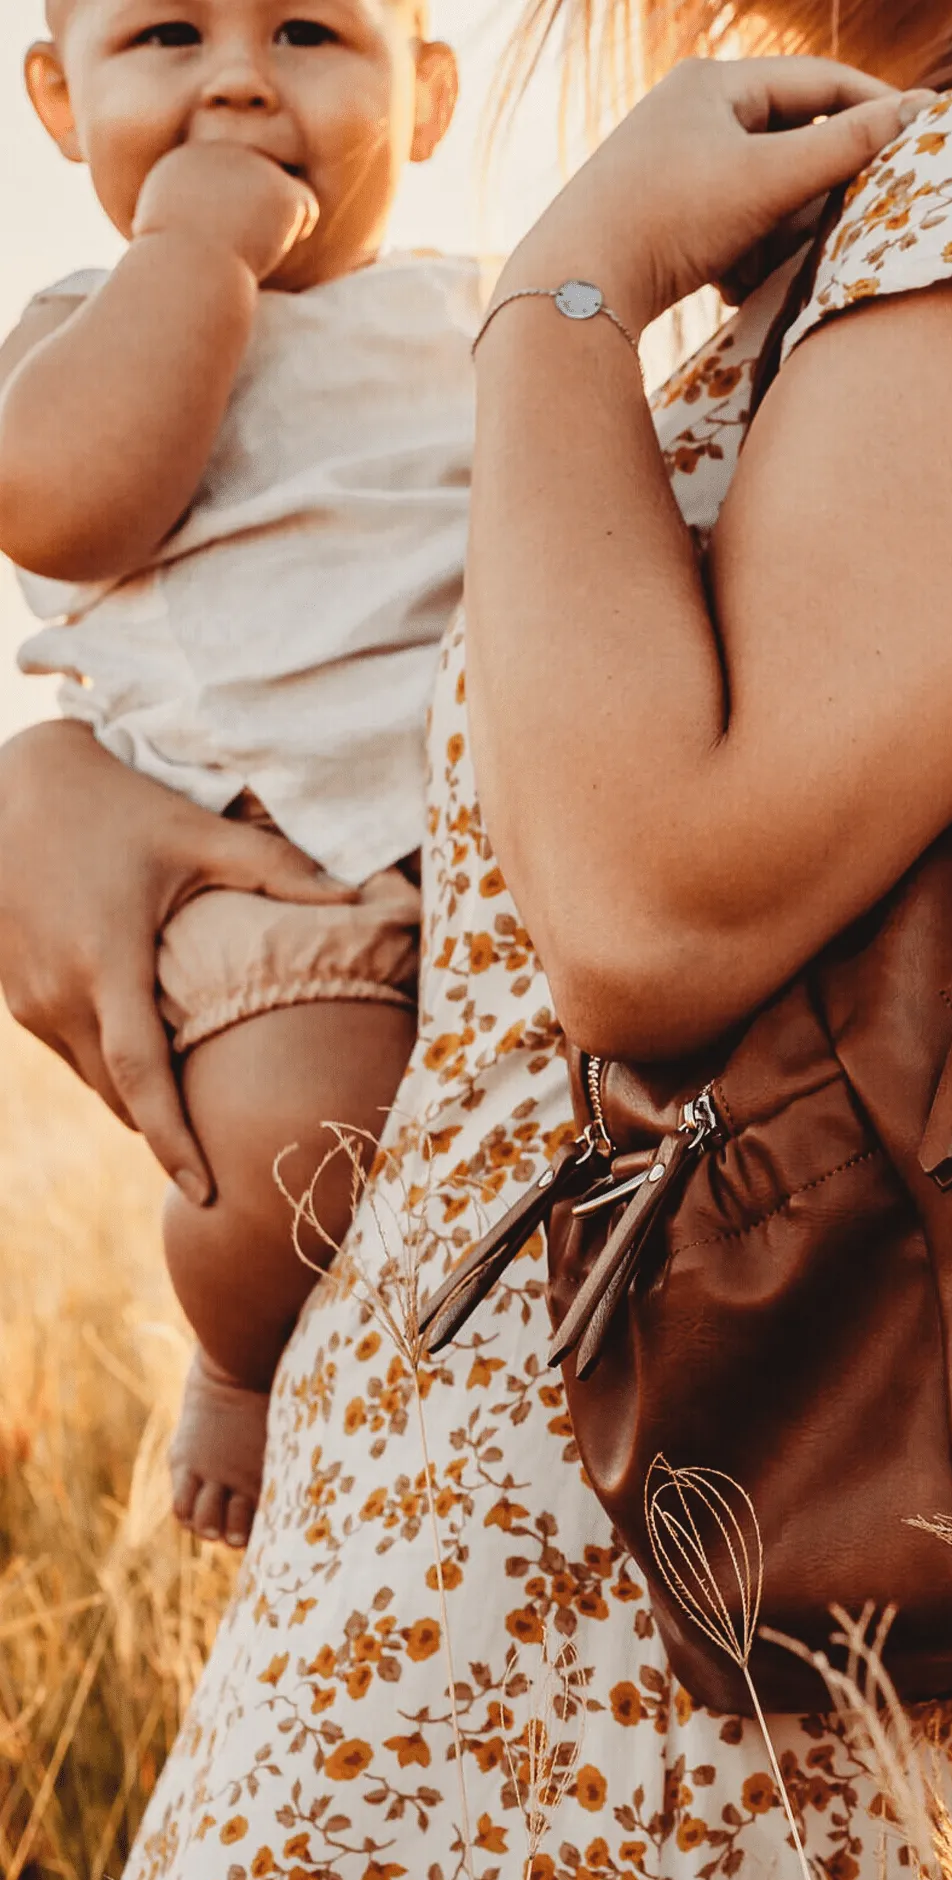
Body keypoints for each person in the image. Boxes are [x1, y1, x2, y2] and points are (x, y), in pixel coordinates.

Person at [0, 0, 952, 1880]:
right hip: (541, 1645)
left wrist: (564, 305)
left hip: (653, 1686)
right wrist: (59, 786)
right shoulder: (901, 186)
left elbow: (659, 903)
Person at [0, 0, 472, 1550]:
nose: (238, 81)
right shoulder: (88, 321)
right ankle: (241, 1362)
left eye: (309, 34)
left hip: (496, 846)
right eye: (168, 38)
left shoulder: (484, 310)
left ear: (426, 102)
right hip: (258, 864)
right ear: (60, 104)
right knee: (295, 1161)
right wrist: (196, 258)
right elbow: (62, 510)